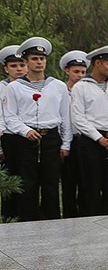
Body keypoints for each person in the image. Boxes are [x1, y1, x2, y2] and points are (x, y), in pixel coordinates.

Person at [3, 37, 71, 220]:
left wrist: (66, 144)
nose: (39, 62)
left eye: (42, 58)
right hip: (26, 140)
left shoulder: (58, 86)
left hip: (50, 138)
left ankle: (52, 222)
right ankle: (29, 223)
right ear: (25, 62)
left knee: (50, 184)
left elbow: (65, 117)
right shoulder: (14, 87)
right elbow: (10, 116)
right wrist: (25, 130)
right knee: (28, 183)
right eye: (34, 59)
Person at [70, 44, 108, 216]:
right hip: (92, 141)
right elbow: (78, 117)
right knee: (91, 187)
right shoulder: (81, 87)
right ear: (97, 63)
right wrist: (98, 138)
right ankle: (91, 224)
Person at [59, 50, 88, 218]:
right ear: (67, 71)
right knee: (69, 182)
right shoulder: (62, 90)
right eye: (76, 72)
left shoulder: (87, 90)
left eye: (83, 72)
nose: (80, 75)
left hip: (83, 139)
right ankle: (69, 216)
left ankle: (84, 215)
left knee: (85, 182)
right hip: (66, 141)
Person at [0, 45, 27, 220]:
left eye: (21, 65)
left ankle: (26, 214)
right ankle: (9, 216)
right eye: (14, 66)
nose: (19, 69)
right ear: (6, 68)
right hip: (7, 138)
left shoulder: (29, 86)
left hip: (26, 137)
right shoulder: (2, 87)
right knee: (10, 179)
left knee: (27, 179)